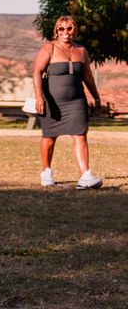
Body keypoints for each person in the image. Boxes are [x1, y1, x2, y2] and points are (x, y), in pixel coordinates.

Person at [33, 15, 103, 189]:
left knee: (80, 135)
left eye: (69, 28)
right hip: (51, 101)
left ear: (75, 30)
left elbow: (87, 76)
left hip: (77, 101)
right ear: (56, 31)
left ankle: (85, 176)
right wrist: (39, 97)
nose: (65, 32)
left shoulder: (82, 50)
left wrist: (97, 98)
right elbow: (36, 72)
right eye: (61, 28)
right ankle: (46, 172)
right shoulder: (49, 48)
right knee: (49, 137)